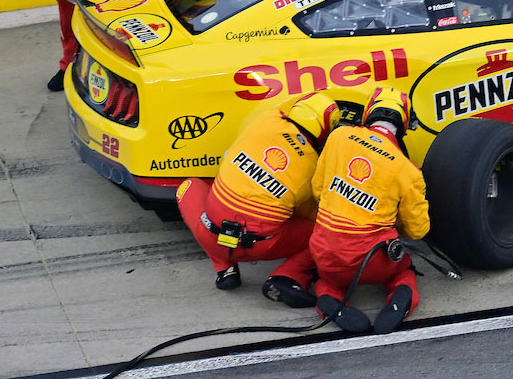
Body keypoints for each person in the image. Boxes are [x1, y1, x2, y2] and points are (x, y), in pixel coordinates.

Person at [177, 91, 358, 300]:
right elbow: (312, 214)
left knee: (189, 185)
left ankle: (224, 268)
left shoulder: (266, 119)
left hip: (212, 238)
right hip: (261, 246)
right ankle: (287, 275)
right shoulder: (313, 167)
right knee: (324, 231)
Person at [309, 86, 429, 335]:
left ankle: (330, 300)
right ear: (403, 124)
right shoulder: (407, 170)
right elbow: (418, 230)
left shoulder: (338, 137)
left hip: (325, 251)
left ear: (368, 114)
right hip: (373, 260)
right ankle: (401, 297)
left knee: (326, 280)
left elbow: (318, 191)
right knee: (404, 269)